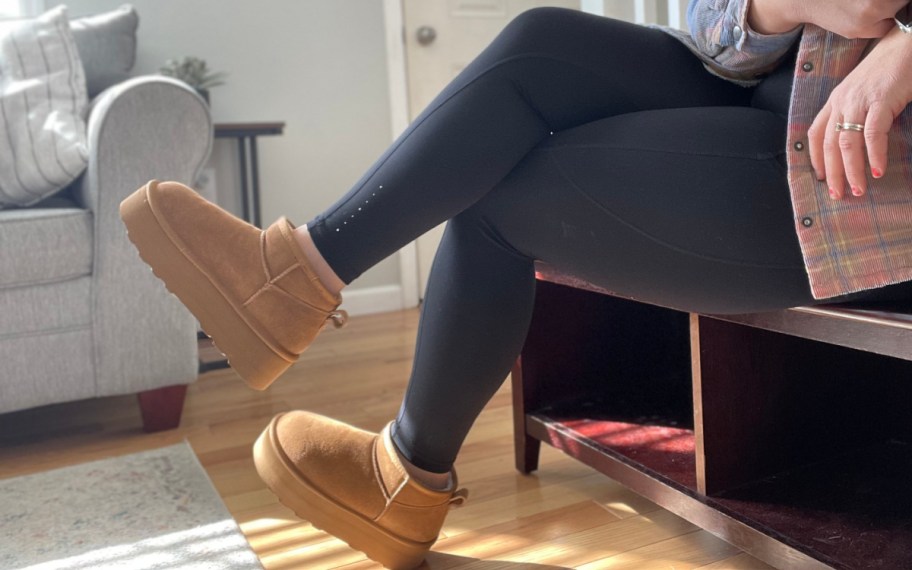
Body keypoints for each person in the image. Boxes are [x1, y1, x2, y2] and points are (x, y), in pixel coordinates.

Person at [120, 1, 912, 568]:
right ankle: (297, 275)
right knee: (539, 43)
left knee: (500, 195)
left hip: (848, 172)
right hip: (763, 97)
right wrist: (783, 7)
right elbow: (709, 23)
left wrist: (903, 47)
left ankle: (403, 465)